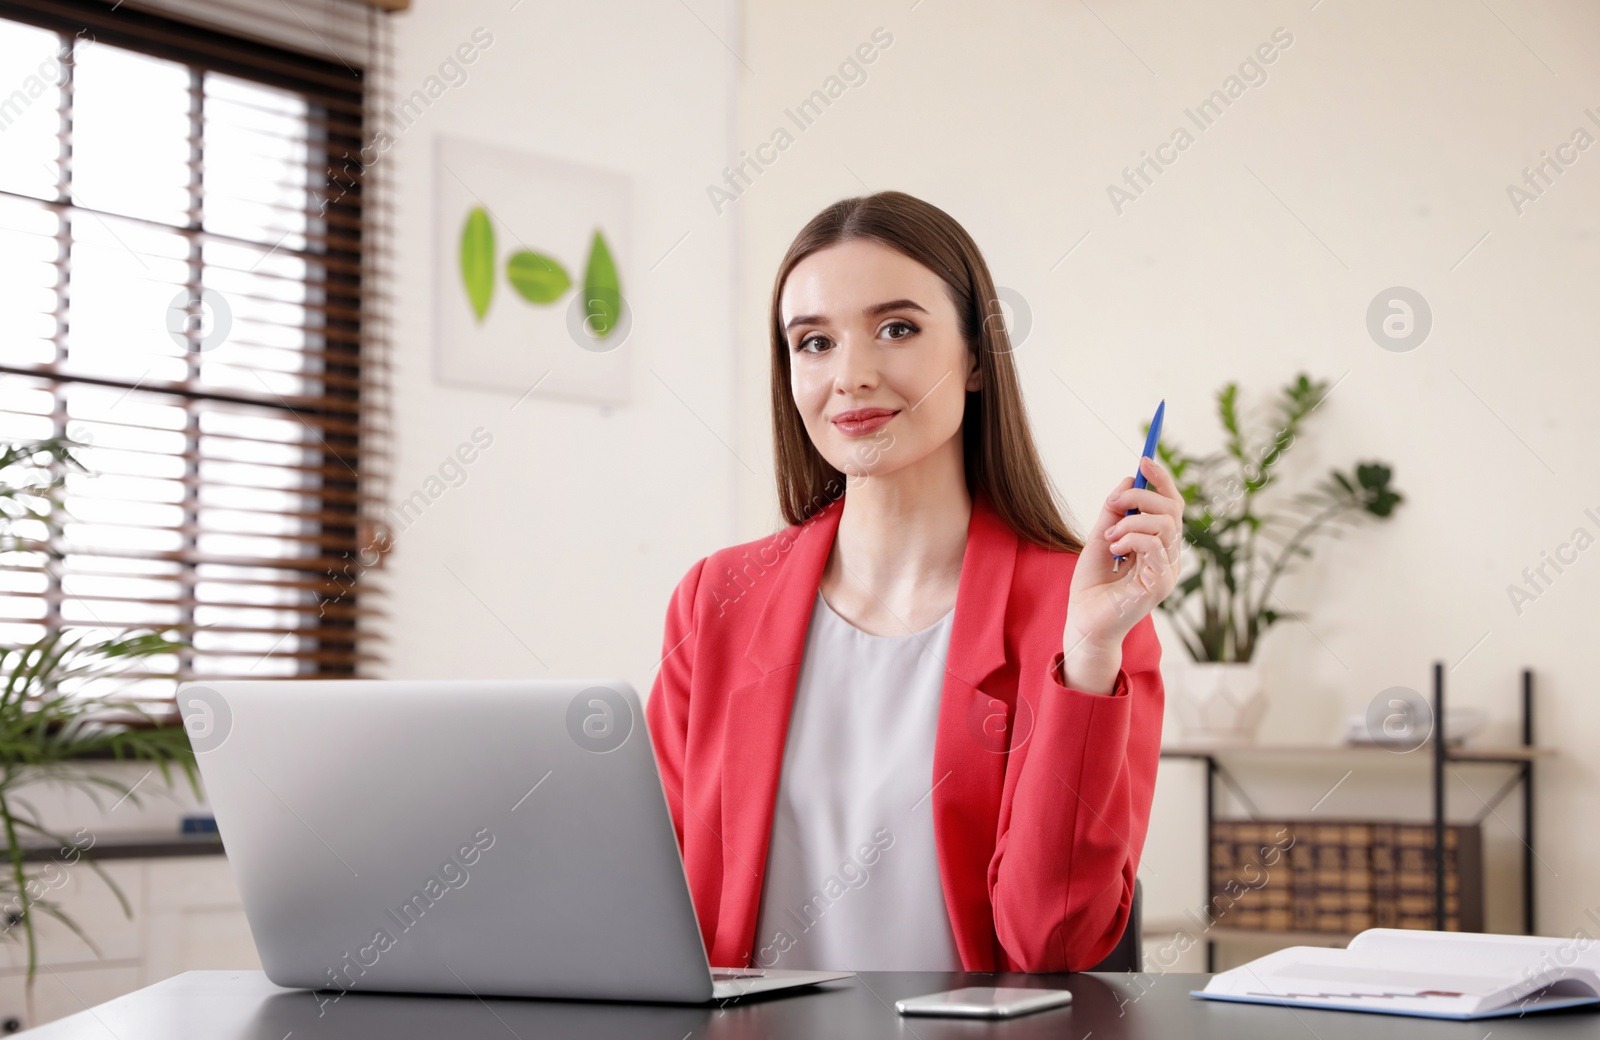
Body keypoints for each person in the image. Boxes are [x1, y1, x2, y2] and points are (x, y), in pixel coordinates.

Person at [645, 191, 1183, 974]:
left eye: (896, 329)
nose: (851, 376)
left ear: (974, 357)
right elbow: (653, 905)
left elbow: (1052, 943)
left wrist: (1093, 652)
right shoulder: (716, 599)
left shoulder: (1076, 613)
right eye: (815, 342)